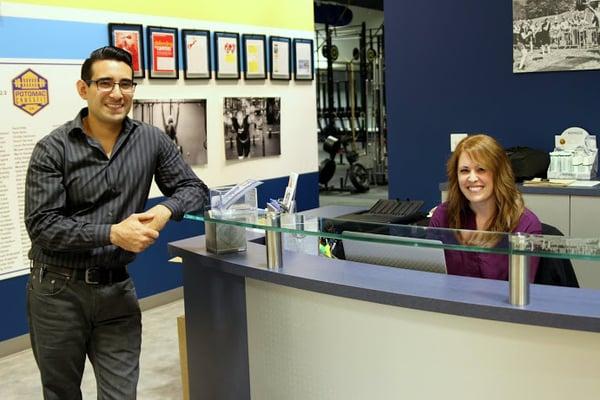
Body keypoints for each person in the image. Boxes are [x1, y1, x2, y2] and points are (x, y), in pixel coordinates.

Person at [24, 46, 208, 399]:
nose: (117, 93)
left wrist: (166, 210)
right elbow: (43, 226)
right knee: (61, 392)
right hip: (57, 293)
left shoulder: (150, 140)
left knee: (121, 394)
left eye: (126, 84)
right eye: (105, 83)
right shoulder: (53, 149)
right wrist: (112, 232)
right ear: (84, 89)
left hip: (117, 292)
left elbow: (194, 189)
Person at [429, 134, 542, 281]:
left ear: (499, 173)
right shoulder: (442, 216)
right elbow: (431, 278)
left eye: (481, 169)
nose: (472, 178)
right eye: (464, 170)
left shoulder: (525, 225)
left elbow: (520, 292)